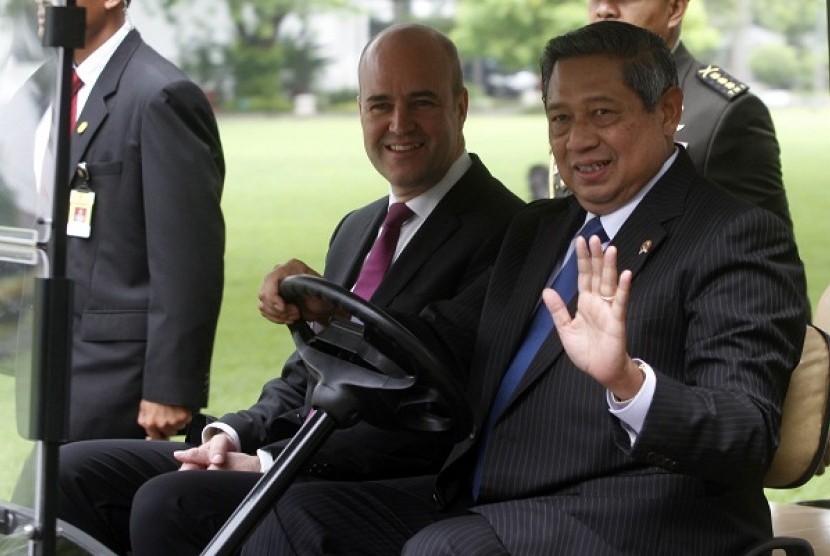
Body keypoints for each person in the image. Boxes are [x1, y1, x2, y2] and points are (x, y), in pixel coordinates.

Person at [163, 21, 805, 555]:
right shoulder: (541, 228)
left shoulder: (734, 235)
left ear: (668, 111)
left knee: (443, 551)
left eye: (602, 114)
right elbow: (442, 338)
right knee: (293, 517)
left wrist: (627, 382)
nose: (577, 140)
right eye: (560, 118)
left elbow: (746, 431)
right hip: (492, 496)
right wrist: (325, 314)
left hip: (639, 519)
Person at [56, 23, 524, 555]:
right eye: (379, 105)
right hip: (300, 447)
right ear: (360, 111)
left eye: (420, 102)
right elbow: (309, 372)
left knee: (171, 501)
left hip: (385, 478)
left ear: (459, 107)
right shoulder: (357, 226)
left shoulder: (511, 231)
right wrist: (228, 437)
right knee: (74, 472)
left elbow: (433, 406)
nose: (398, 124)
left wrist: (268, 462)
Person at [35, 0, 226, 441]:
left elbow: (187, 257)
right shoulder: (53, 89)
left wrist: (170, 387)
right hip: (56, 361)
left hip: (119, 377)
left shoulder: (160, 95)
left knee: (70, 500)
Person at [588, 0, 792, 227]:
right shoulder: (576, 103)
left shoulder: (725, 113)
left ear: (674, 9)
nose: (603, 9)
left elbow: (767, 249)